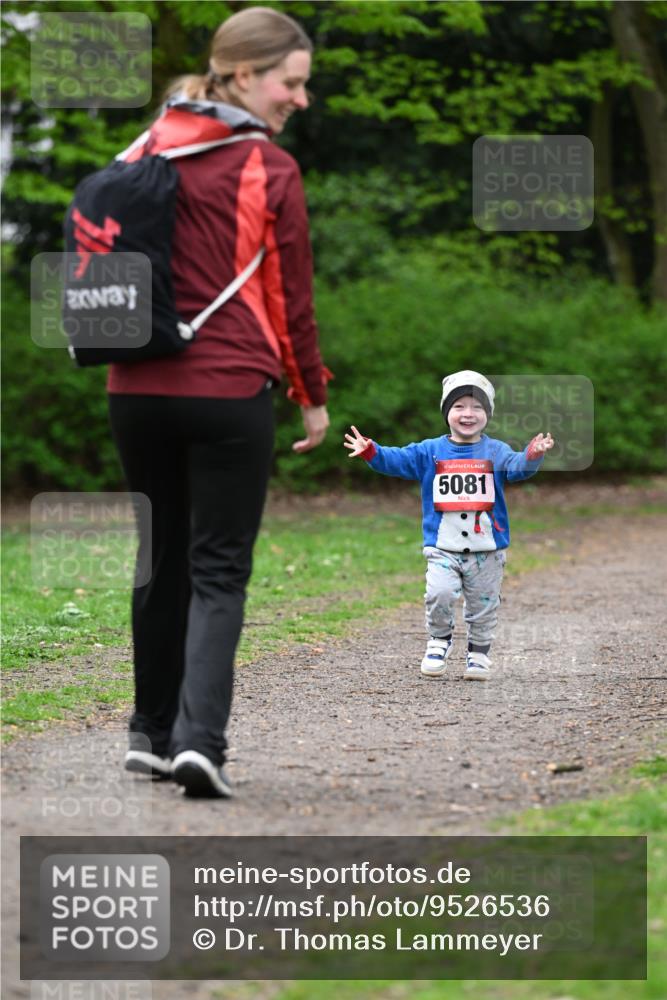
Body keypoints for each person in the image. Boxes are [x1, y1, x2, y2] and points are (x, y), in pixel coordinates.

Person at [111, 7, 331, 797]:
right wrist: (310, 394)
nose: (299, 99)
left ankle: (148, 734)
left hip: (134, 388)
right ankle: (200, 743)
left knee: (160, 556)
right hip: (229, 387)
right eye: (291, 83)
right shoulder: (266, 170)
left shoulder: (141, 149)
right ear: (243, 76)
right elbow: (290, 297)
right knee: (218, 568)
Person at [344, 371, 553, 681]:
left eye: (477, 407)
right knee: (439, 593)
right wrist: (372, 452)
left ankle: (478, 654)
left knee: (484, 602)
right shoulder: (429, 451)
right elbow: (397, 459)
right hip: (443, 546)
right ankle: (438, 641)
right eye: (459, 406)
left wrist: (532, 455)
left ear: (488, 414)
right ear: (446, 412)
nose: (468, 414)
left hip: (487, 548)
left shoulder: (496, 452)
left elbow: (517, 467)